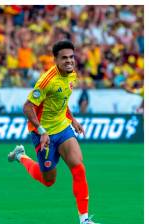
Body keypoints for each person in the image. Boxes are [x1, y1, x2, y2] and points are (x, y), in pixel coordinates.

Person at [8, 40, 98, 224]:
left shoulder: (72, 76)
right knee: (48, 180)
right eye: (64, 58)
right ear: (55, 59)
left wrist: (72, 120)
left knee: (78, 168)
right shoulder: (46, 81)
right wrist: (42, 130)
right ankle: (21, 156)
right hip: (43, 134)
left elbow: (61, 102)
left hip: (63, 128)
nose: (69, 61)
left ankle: (85, 220)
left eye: (71, 57)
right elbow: (27, 107)